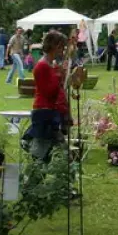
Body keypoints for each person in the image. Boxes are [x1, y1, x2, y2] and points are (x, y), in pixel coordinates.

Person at [28, 31, 69, 162]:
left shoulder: (52, 65)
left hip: (52, 110)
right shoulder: (42, 66)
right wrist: (59, 76)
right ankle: (34, 177)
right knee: (40, 154)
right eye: (62, 47)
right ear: (55, 46)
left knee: (55, 152)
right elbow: (48, 92)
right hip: (43, 111)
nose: (63, 50)